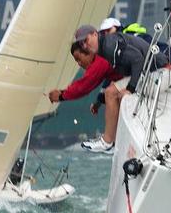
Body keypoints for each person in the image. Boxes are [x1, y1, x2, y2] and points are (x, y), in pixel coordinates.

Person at [47, 25, 121, 154]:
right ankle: (114, 140)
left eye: (79, 59)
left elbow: (84, 86)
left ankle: (108, 141)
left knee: (111, 92)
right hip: (130, 77)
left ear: (87, 52)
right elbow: (97, 82)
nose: (79, 64)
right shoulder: (100, 59)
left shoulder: (99, 61)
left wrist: (61, 95)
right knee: (111, 91)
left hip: (137, 76)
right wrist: (98, 102)